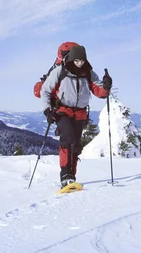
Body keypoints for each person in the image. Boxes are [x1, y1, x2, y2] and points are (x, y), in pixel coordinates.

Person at [40, 45, 112, 187]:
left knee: (76, 145)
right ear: (72, 59)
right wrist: (47, 110)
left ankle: (71, 176)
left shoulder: (89, 73)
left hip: (80, 112)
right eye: (77, 60)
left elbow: (100, 93)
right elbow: (45, 91)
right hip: (63, 110)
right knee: (67, 138)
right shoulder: (60, 71)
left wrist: (107, 86)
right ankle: (65, 175)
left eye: (82, 60)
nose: (80, 63)